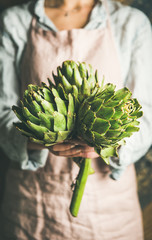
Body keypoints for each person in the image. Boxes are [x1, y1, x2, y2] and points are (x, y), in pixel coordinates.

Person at [0, 0, 152, 239]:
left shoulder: (132, 24)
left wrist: (104, 143)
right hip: (32, 205)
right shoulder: (13, 21)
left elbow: (146, 119)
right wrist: (44, 139)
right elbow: (3, 115)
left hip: (111, 209)